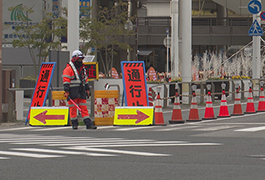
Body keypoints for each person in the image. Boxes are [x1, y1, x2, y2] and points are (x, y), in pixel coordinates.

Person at [62, 50, 97, 130]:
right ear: (74, 59)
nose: (80, 61)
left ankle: (88, 124)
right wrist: (66, 91)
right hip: (72, 91)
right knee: (73, 109)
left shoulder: (82, 68)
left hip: (81, 91)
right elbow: (66, 81)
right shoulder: (68, 69)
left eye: (81, 59)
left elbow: (85, 79)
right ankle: (74, 124)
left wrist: (87, 89)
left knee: (83, 108)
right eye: (79, 59)